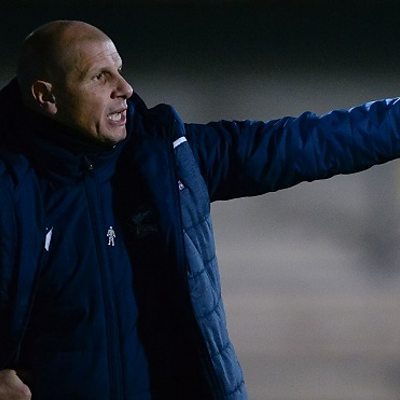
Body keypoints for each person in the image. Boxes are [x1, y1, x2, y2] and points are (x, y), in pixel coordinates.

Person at [1, 19, 400, 400]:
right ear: (46, 96)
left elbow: (298, 144)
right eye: (99, 77)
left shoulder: (164, 158)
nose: (124, 88)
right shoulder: (12, 186)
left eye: (119, 71)